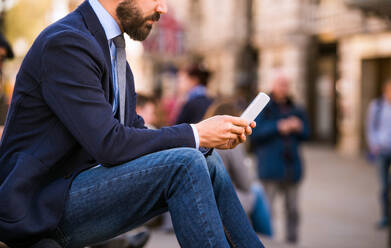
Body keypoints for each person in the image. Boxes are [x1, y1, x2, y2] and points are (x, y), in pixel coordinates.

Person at [0, 1, 264, 248]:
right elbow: (109, 144)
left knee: (206, 159)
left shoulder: (112, 48)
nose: (163, 7)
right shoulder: (66, 43)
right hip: (37, 208)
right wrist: (196, 133)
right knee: (186, 164)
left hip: (72, 192)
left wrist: (206, 138)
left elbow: (134, 133)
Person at [250, 74, 310, 244]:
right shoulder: (263, 107)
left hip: (292, 168)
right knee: (267, 210)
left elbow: (307, 134)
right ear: (273, 85)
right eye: (280, 84)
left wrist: (298, 127)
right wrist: (278, 127)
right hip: (269, 167)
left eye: (286, 84)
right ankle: (266, 242)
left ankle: (292, 241)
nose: (283, 88)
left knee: (293, 210)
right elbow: (254, 133)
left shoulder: (296, 108)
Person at [206, 100, 273, 237]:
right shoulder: (230, 141)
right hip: (219, 197)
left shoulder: (202, 136)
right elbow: (245, 183)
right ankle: (267, 238)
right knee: (257, 191)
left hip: (203, 194)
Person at [366, 80, 391, 229]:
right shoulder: (377, 106)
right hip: (382, 150)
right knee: (383, 186)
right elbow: (370, 126)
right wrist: (373, 144)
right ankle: (385, 216)